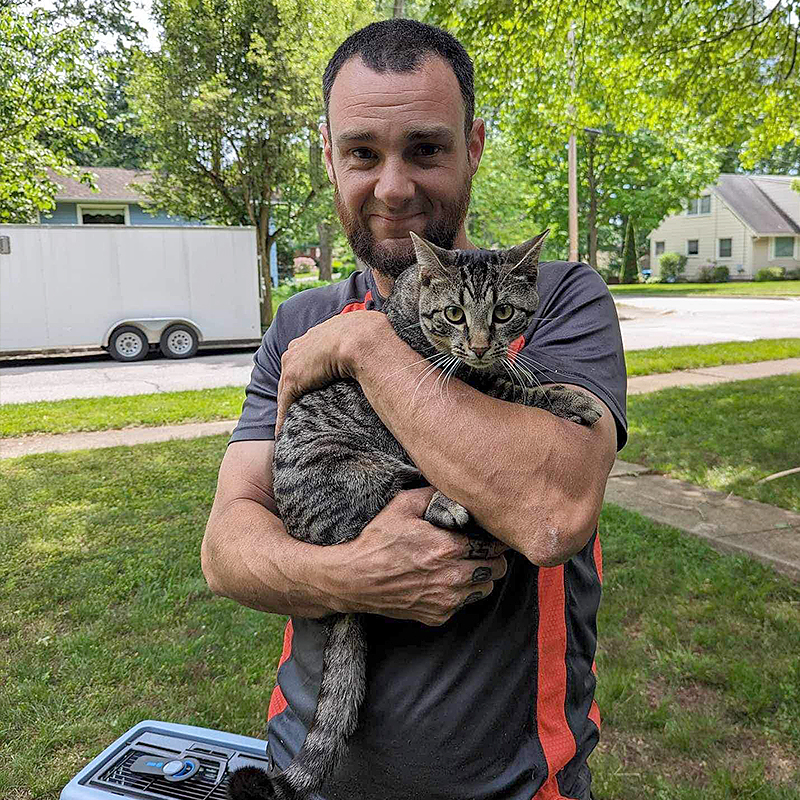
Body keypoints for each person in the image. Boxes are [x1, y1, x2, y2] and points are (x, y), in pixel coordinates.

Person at [202, 18, 627, 800]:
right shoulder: (298, 325)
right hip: (305, 765)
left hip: (511, 785)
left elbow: (550, 512)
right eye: (363, 152)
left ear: (475, 146)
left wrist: (366, 343)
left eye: (425, 148)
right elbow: (226, 549)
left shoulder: (564, 298)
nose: (392, 188)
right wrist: (351, 577)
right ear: (328, 156)